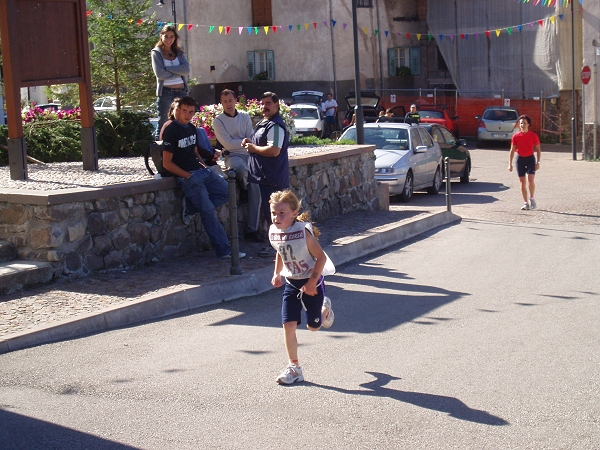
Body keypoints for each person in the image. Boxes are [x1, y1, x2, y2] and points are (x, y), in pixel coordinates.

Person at [161, 96, 245, 259]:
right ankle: (224, 250)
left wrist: (205, 167)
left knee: (227, 193)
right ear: (177, 110)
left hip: (201, 170)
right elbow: (167, 163)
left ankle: (191, 207)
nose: (187, 115)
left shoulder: (191, 128)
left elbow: (194, 151)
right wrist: (188, 176)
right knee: (207, 211)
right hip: (187, 176)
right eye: (184, 111)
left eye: (191, 112)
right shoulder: (171, 130)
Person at [269, 190, 335, 385]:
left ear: (294, 213)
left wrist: (312, 282)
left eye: (282, 213)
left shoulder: (303, 233)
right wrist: (276, 273)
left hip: (312, 282)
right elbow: (281, 251)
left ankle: (326, 308)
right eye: (274, 213)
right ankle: (294, 368)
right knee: (288, 325)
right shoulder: (274, 232)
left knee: (313, 327)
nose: (276, 217)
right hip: (291, 283)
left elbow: (321, 257)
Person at [213, 89, 263, 243]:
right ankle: (245, 186)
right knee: (242, 170)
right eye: (225, 101)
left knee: (256, 183)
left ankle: (252, 228)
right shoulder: (218, 121)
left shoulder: (244, 116)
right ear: (221, 104)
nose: (228, 104)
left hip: (249, 154)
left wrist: (246, 144)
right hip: (232, 156)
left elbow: (251, 136)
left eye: (230, 100)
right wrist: (243, 143)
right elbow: (227, 143)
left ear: (236, 101)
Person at [242, 91, 290, 229]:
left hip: (272, 180)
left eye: (268, 103)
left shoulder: (275, 125)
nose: (264, 106)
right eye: (262, 104)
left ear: (277, 105)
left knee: (277, 220)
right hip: (264, 178)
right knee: (272, 219)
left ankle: (282, 248)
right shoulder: (266, 123)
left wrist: (254, 148)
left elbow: (274, 150)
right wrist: (251, 143)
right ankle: (277, 249)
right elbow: (263, 144)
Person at [151, 25, 190, 139]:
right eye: (166, 36)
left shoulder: (178, 52)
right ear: (161, 36)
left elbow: (186, 70)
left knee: (183, 120)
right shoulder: (156, 53)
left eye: (172, 36)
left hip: (182, 91)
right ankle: (159, 152)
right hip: (166, 92)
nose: (169, 39)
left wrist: (167, 68)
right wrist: (178, 71)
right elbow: (160, 73)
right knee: (164, 121)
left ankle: (180, 150)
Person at [508, 114, 541, 210]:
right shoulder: (516, 136)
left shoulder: (533, 136)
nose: (523, 125)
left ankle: (532, 198)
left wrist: (538, 162)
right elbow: (512, 150)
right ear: (519, 125)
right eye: (521, 123)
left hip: (530, 159)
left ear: (528, 124)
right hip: (520, 160)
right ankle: (525, 202)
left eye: (524, 123)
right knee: (522, 182)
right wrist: (510, 164)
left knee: (531, 180)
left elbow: (538, 150)